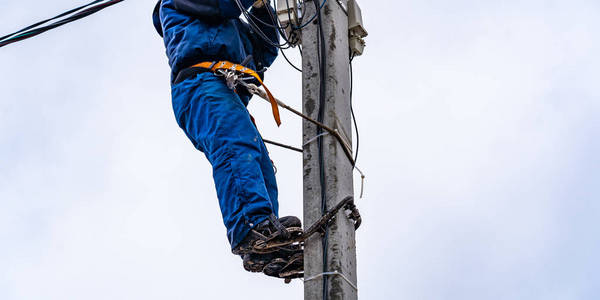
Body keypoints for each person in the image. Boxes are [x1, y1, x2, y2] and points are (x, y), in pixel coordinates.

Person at [152, 0, 303, 278]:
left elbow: (266, 51)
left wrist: (260, 9)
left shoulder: (232, 28)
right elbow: (226, 4)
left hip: (226, 91)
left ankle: (267, 243)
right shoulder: (177, 2)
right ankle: (251, 227)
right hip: (202, 83)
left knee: (259, 163)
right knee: (236, 148)